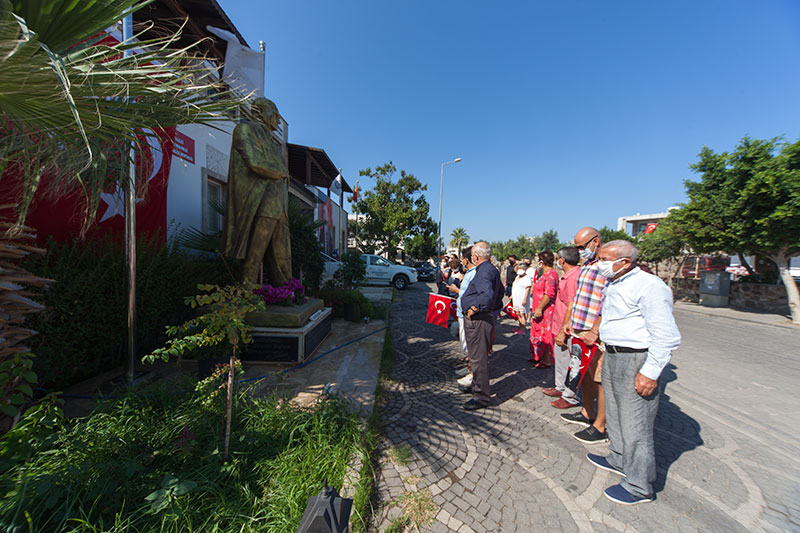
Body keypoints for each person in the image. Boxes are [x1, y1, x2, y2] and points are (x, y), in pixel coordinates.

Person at [586, 240, 681, 505]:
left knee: (635, 423)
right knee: (615, 413)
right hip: (615, 355)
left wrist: (650, 372)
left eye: (604, 259)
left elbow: (666, 336)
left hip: (636, 359)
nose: (598, 263)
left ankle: (639, 485)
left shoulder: (650, 286)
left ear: (625, 261)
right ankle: (617, 457)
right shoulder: (615, 283)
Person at [222, 98, 291, 285]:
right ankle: (246, 292)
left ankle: (286, 292)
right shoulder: (245, 129)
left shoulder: (271, 140)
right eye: (274, 114)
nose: (277, 120)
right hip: (261, 203)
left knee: (281, 256)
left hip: (278, 205)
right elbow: (255, 163)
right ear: (259, 112)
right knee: (254, 254)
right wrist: (281, 172)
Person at [553, 227, 609, 446]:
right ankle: (587, 412)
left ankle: (600, 425)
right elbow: (577, 298)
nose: (579, 251)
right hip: (579, 328)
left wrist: (596, 329)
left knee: (600, 377)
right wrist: (568, 322)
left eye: (581, 246)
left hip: (595, 333)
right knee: (584, 373)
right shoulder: (587, 266)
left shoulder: (607, 267)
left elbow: (610, 301)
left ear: (595, 241)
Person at [459, 242, 504, 410]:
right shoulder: (491, 269)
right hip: (483, 318)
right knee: (477, 357)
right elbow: (499, 294)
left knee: (478, 359)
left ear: (475, 256)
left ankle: (481, 396)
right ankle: (478, 386)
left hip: (478, 320)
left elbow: (487, 296)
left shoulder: (485, 271)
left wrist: (473, 308)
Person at [542, 246, 581, 403]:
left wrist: (562, 331)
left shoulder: (573, 277)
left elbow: (571, 305)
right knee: (561, 359)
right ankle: (560, 387)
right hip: (558, 325)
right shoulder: (567, 276)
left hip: (565, 328)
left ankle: (569, 394)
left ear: (562, 260)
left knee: (570, 362)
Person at [529, 251, 558, 368]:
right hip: (539, 309)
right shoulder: (545, 274)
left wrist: (540, 308)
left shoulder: (551, 274)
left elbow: (549, 293)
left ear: (542, 262)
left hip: (546, 310)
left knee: (545, 334)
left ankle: (546, 360)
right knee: (538, 332)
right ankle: (538, 356)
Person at [452, 247, 475, 385]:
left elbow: (469, 295)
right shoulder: (469, 273)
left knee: (469, 345)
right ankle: (468, 369)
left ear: (466, 259)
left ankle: (472, 374)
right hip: (462, 313)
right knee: (465, 344)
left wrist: (456, 290)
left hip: (467, 314)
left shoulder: (474, 274)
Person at [510, 262, 532, 334]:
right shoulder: (517, 277)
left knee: (522, 314)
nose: (519, 270)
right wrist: (512, 296)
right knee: (517, 313)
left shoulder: (527, 278)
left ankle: (523, 328)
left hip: (522, 298)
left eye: (521, 269)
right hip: (516, 298)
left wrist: (525, 299)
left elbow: (528, 289)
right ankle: (519, 327)